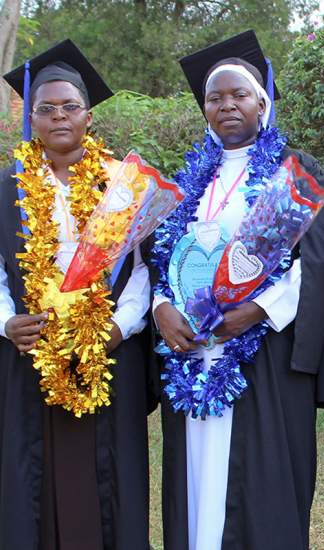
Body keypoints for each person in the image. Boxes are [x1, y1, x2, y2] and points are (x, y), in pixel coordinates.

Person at [149, 31, 324, 550]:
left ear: (264, 101)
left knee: (262, 480)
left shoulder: (295, 174)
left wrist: (258, 310)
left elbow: (318, 261)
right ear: (205, 109)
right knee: (194, 478)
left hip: (262, 359)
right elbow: (161, 257)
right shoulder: (189, 182)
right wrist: (161, 307)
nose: (227, 105)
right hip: (192, 353)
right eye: (215, 98)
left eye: (239, 95)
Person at [0, 40, 154, 549]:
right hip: (29, 356)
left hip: (107, 356)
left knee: (110, 475)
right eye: (46, 108)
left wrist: (119, 326)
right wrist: (6, 320)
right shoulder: (7, 188)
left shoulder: (124, 185)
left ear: (89, 116)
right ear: (31, 118)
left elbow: (143, 269)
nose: (59, 116)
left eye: (70, 107)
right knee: (30, 476)